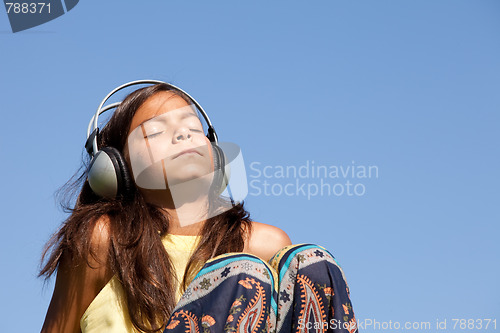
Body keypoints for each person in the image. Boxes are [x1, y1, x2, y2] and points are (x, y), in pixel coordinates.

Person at [40, 82, 358, 333]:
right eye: (155, 131)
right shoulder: (104, 239)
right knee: (238, 276)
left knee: (313, 263)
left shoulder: (265, 244)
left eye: (192, 128)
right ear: (116, 168)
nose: (182, 134)